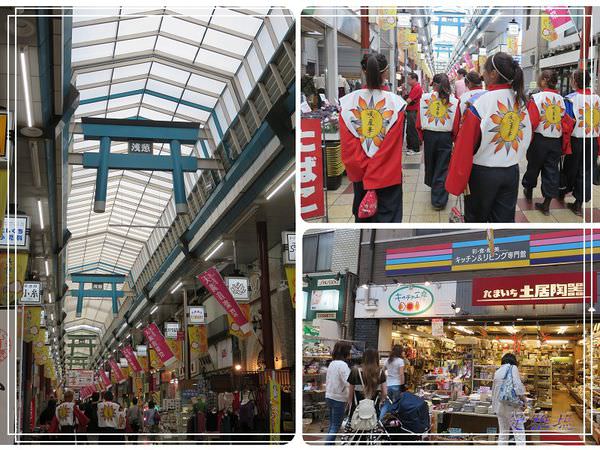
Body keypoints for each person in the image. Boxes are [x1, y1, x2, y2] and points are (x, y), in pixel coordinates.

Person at [446, 52, 533, 222]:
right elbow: (527, 136)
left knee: (476, 222)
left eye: (484, 70)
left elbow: (464, 147)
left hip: (483, 175)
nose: (482, 74)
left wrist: (457, 181)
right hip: (511, 172)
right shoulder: (520, 102)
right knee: (503, 222)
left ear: (493, 74)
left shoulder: (481, 103)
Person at [339, 52, 407, 222]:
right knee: (390, 220)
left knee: (363, 218)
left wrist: (366, 174)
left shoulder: (346, 103)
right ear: (386, 72)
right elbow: (391, 147)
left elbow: (349, 147)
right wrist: (376, 173)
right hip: (388, 175)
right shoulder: (396, 104)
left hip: (361, 177)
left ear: (363, 71)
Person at [521, 69, 572, 215]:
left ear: (544, 80)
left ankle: (528, 190)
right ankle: (546, 204)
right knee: (551, 171)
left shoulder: (536, 98)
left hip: (539, 140)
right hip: (556, 140)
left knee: (533, 166)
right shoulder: (561, 99)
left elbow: (531, 121)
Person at [417, 73, 460, 210]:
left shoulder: (424, 98)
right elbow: (456, 124)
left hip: (429, 135)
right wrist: (452, 138)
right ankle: (438, 200)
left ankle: (434, 189)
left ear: (435, 85)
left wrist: (422, 136)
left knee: (431, 164)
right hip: (445, 137)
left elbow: (418, 122)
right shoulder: (453, 100)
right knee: (443, 167)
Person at [561, 68, 600, 215]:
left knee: (571, 169)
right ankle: (579, 203)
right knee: (587, 171)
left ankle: (564, 191)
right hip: (593, 140)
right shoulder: (597, 98)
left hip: (575, 140)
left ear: (575, 81)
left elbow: (566, 124)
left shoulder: (571, 99)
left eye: (572, 79)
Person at [491, 353, 527, 445]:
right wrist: (524, 400)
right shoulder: (513, 368)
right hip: (512, 407)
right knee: (519, 434)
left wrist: (494, 408)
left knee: (503, 433)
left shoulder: (497, 371)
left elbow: (494, 391)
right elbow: (518, 387)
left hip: (499, 407)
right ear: (513, 361)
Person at [324, 341, 351, 444]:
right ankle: (328, 445)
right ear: (345, 352)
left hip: (329, 396)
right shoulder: (343, 365)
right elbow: (348, 382)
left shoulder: (332, 363)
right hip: (338, 398)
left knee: (332, 425)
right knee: (335, 426)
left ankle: (329, 444)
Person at [347, 349, 387, 417]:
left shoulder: (355, 371)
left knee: (355, 426)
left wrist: (349, 404)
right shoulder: (380, 373)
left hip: (356, 409)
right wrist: (381, 402)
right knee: (372, 426)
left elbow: (350, 393)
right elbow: (385, 393)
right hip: (373, 410)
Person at [379, 345, 405, 420]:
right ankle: (395, 421)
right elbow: (401, 374)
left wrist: (385, 379)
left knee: (386, 404)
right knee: (397, 404)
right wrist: (402, 385)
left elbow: (382, 371)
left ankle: (380, 420)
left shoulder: (388, 360)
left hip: (387, 385)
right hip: (397, 385)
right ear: (400, 352)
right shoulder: (400, 361)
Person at [405, 72, 423, 155]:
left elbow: (408, 100)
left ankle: (415, 149)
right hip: (412, 111)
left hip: (413, 111)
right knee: (410, 129)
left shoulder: (416, 88)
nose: (407, 81)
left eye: (409, 79)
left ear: (414, 79)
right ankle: (411, 147)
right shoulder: (414, 87)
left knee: (412, 129)